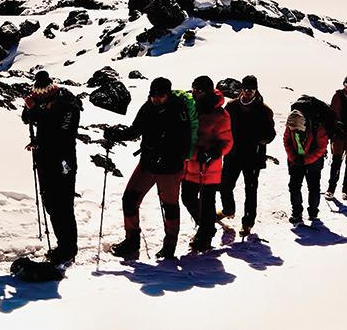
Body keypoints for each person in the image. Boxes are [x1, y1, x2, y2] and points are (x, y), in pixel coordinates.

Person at [105, 77, 195, 260]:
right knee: (129, 200)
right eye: (153, 94)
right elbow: (134, 131)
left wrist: (163, 153)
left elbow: (184, 147)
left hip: (170, 169)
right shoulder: (147, 108)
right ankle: (132, 241)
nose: (156, 98)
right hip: (148, 164)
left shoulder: (179, 112)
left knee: (169, 208)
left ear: (168, 95)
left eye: (161, 95)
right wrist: (115, 135)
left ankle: (169, 246)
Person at [22, 71, 82, 265]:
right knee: (50, 202)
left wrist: (37, 111)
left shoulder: (68, 105)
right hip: (45, 158)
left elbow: (62, 133)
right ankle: (63, 244)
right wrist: (33, 110)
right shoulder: (44, 104)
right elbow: (28, 118)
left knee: (63, 204)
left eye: (45, 100)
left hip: (63, 160)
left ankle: (68, 248)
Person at [217, 75, 276, 236]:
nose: (248, 91)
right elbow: (222, 125)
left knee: (251, 191)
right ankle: (228, 210)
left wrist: (266, 139)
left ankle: (248, 223)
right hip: (233, 154)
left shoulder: (264, 109)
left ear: (256, 90)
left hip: (253, 157)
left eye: (252, 89)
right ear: (241, 89)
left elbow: (271, 133)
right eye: (246, 88)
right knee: (225, 186)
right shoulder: (231, 106)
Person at [181, 76, 233, 252]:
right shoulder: (191, 108)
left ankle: (205, 235)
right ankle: (207, 226)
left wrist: (212, 152)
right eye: (193, 89)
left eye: (199, 91)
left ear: (208, 91)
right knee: (187, 198)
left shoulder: (220, 115)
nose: (195, 93)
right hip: (190, 165)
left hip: (208, 167)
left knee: (206, 204)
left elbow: (227, 142)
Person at [284, 108, 329, 224]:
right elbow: (286, 141)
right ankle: (296, 213)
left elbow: (321, 147)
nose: (292, 130)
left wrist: (306, 160)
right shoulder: (291, 125)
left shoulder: (317, 127)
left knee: (313, 187)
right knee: (294, 186)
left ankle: (313, 213)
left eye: (295, 129)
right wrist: (293, 158)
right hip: (296, 160)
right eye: (291, 129)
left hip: (313, 162)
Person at [326, 74, 347, 200]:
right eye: (346, 84)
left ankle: (346, 189)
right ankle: (331, 188)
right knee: (336, 162)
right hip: (339, 133)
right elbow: (331, 113)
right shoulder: (337, 96)